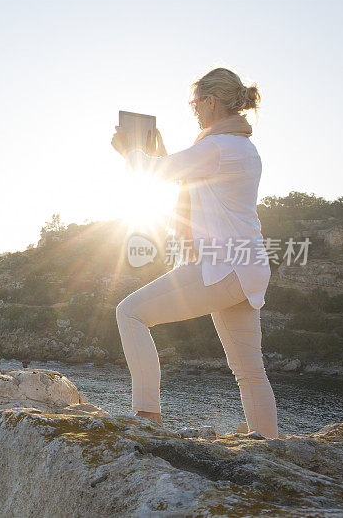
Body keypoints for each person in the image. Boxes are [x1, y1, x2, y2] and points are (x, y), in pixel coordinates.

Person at [110, 67, 278, 439]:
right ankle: (269, 445)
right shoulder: (240, 147)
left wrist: (129, 151)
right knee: (250, 371)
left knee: (130, 313)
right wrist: (161, 155)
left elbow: (155, 173)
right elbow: (188, 179)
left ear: (211, 101)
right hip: (246, 268)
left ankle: (148, 416)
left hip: (221, 267)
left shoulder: (217, 147)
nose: (193, 109)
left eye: (194, 102)